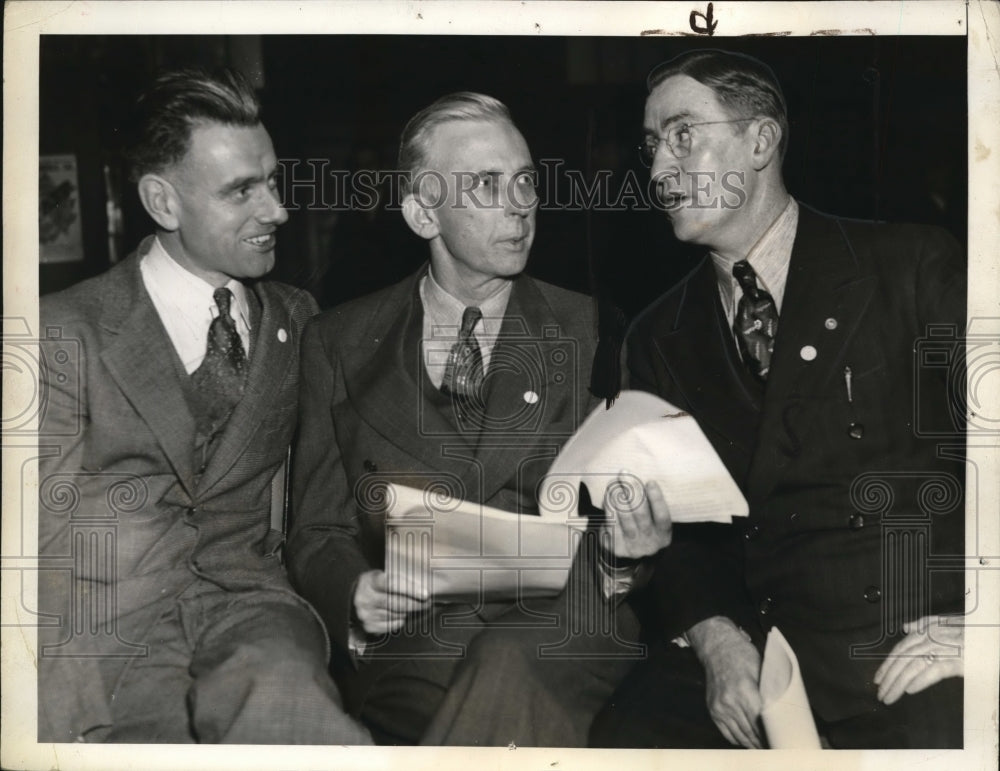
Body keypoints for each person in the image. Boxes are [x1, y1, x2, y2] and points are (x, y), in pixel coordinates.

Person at [589, 49, 966, 749]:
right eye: (651, 147)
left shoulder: (909, 267)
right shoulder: (655, 336)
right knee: (624, 738)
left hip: (916, 644)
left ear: (761, 140)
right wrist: (714, 638)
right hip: (771, 659)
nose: (660, 170)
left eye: (682, 135)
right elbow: (685, 539)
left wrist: (989, 625)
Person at [286, 92, 673, 745]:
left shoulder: (595, 329)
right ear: (421, 212)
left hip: (567, 621)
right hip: (416, 635)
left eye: (525, 181)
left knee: (505, 667)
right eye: (488, 185)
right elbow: (317, 529)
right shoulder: (339, 342)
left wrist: (627, 550)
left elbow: (635, 519)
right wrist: (355, 591)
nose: (521, 205)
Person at [37, 67, 370, 744]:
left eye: (272, 181)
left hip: (253, 613)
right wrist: (51, 713)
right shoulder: (63, 330)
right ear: (163, 201)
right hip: (107, 639)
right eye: (241, 190)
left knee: (294, 710)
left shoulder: (301, 321)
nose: (276, 209)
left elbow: (341, 488)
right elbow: (34, 543)